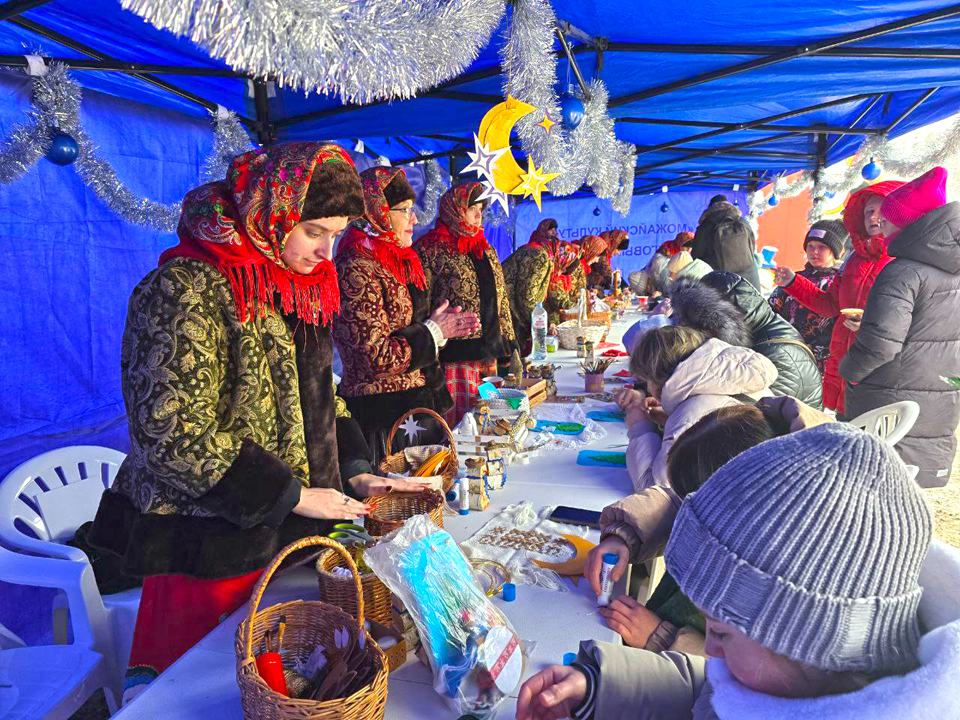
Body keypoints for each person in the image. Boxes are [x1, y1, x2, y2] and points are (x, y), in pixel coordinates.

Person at [86, 143, 428, 700]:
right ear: (274, 211)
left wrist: (358, 469)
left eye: (337, 236)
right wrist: (291, 493)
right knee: (199, 693)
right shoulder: (187, 288)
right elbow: (169, 432)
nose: (326, 251)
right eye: (315, 231)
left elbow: (321, 395)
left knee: (279, 683)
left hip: (281, 535)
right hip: (207, 543)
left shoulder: (293, 280)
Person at [517, 424, 956, 720]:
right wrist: (599, 685)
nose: (707, 646)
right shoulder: (787, 680)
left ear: (801, 636)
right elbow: (714, 688)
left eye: (721, 632)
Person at [591, 404, 789, 655]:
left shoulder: (778, 582)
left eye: (696, 509)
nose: (688, 517)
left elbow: (747, 675)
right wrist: (624, 534)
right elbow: (673, 504)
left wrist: (662, 638)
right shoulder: (730, 503)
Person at [333, 167, 480, 462]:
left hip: (414, 408)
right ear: (377, 212)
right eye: (405, 210)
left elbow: (409, 329)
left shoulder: (393, 260)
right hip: (383, 417)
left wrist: (440, 330)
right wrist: (433, 332)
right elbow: (373, 356)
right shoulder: (356, 267)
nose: (414, 219)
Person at [840, 167, 960, 488]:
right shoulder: (953, 271)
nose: (882, 227)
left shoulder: (902, 272)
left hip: (888, 404)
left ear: (909, 223)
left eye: (889, 218)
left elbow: (881, 347)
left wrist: (848, 370)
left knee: (870, 497)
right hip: (939, 406)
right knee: (906, 503)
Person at [773, 182, 903, 415]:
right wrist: (793, 283)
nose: (873, 217)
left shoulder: (903, 259)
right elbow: (831, 305)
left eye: (880, 209)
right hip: (843, 365)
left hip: (878, 369)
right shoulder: (854, 261)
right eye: (868, 211)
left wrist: (870, 327)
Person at [615, 325, 776, 491]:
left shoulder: (689, 417)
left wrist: (640, 428)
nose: (647, 387)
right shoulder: (732, 377)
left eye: (647, 379)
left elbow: (655, 489)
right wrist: (669, 417)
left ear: (658, 378)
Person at [416, 183, 515, 425]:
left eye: (481, 208)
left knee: (487, 420)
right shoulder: (431, 249)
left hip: (487, 354)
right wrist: (426, 347)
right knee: (460, 424)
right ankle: (458, 462)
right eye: (472, 208)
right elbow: (420, 304)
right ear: (455, 209)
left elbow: (501, 299)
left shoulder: (485, 249)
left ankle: (486, 462)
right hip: (454, 356)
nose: (479, 215)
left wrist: (509, 343)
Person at [671, 271, 824, 408]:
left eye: (704, 327)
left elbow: (749, 413)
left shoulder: (778, 355)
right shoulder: (759, 331)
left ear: (725, 324)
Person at [767, 220, 846, 374]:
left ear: (836, 251)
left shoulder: (838, 282)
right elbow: (771, 309)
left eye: (822, 247)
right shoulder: (793, 278)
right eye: (810, 246)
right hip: (786, 350)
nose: (814, 251)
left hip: (821, 359)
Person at [502, 219, 558, 355]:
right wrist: (541, 324)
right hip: (510, 314)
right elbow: (527, 297)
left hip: (508, 310)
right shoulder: (538, 255)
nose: (555, 234)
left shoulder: (531, 250)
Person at [689, 194, 761, 290]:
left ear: (710, 208)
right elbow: (752, 247)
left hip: (721, 283)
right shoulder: (743, 222)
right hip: (749, 280)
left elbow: (697, 258)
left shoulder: (704, 227)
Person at [629, 231, 695, 297]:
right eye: (686, 246)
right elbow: (665, 287)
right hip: (662, 296)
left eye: (691, 246)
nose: (689, 249)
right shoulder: (661, 260)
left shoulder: (687, 258)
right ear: (679, 244)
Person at [544, 240, 583, 330]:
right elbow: (561, 302)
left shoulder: (558, 276)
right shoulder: (553, 279)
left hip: (552, 321)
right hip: (548, 323)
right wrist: (580, 304)